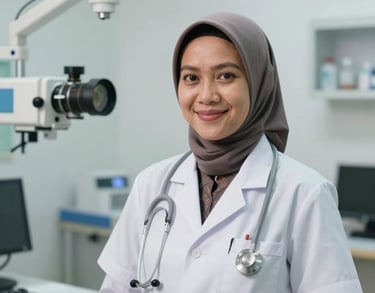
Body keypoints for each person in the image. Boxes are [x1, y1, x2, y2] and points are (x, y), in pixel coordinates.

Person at [97, 12, 363, 292]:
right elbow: (118, 287)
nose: (207, 95)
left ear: (259, 83)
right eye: (191, 78)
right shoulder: (151, 184)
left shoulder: (305, 193)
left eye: (226, 75)